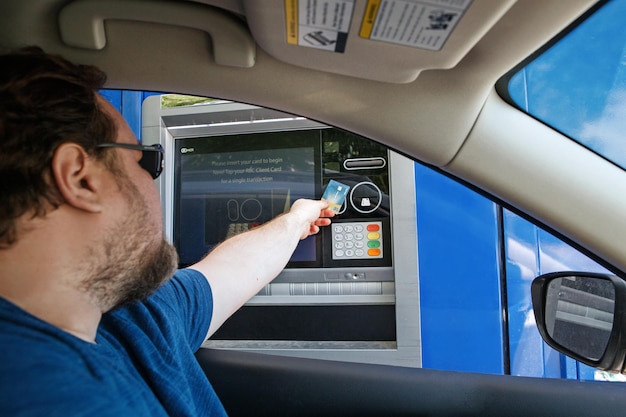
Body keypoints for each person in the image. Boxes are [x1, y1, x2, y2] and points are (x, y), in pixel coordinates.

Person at [0, 47, 334, 416]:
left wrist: (296, 220)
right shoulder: (43, 396)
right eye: (145, 160)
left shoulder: (121, 316)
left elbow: (227, 272)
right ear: (80, 178)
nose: (152, 181)